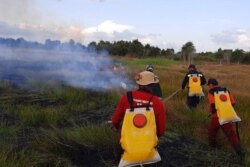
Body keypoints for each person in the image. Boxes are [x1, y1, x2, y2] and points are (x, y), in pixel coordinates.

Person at [112, 70, 166, 167]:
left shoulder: (126, 98)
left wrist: (117, 128)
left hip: (126, 147)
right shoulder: (157, 102)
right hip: (148, 148)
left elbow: (115, 120)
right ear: (153, 85)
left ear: (139, 84)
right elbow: (161, 131)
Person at [207, 78, 244, 157]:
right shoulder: (226, 91)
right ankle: (240, 152)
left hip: (216, 117)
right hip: (227, 116)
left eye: (209, 86)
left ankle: (212, 149)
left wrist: (213, 112)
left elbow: (213, 105)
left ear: (211, 84)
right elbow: (233, 103)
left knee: (211, 132)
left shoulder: (211, 92)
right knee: (231, 135)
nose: (209, 87)